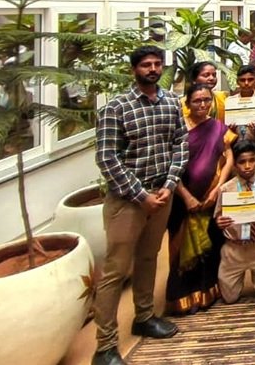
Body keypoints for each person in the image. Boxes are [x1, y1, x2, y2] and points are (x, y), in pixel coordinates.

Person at [92, 45, 187, 365]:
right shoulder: (116, 108)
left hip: (162, 193)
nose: (152, 69)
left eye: (157, 64)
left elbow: (180, 145)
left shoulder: (172, 102)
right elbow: (107, 158)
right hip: (128, 201)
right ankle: (105, 346)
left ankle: (144, 317)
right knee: (115, 271)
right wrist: (140, 195)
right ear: (134, 69)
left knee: (149, 257)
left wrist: (168, 186)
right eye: (146, 64)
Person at [165, 84, 236, 315]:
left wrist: (218, 189)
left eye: (207, 100)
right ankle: (183, 297)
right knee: (181, 248)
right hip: (183, 201)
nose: (203, 105)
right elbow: (170, 166)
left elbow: (228, 158)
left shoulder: (217, 127)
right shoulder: (178, 130)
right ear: (187, 103)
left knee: (211, 245)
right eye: (197, 101)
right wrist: (185, 196)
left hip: (211, 198)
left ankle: (208, 293)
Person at [214, 140, 255, 304]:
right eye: (242, 162)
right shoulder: (226, 189)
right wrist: (219, 222)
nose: (248, 166)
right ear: (235, 164)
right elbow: (218, 216)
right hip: (234, 247)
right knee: (229, 298)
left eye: (252, 160)